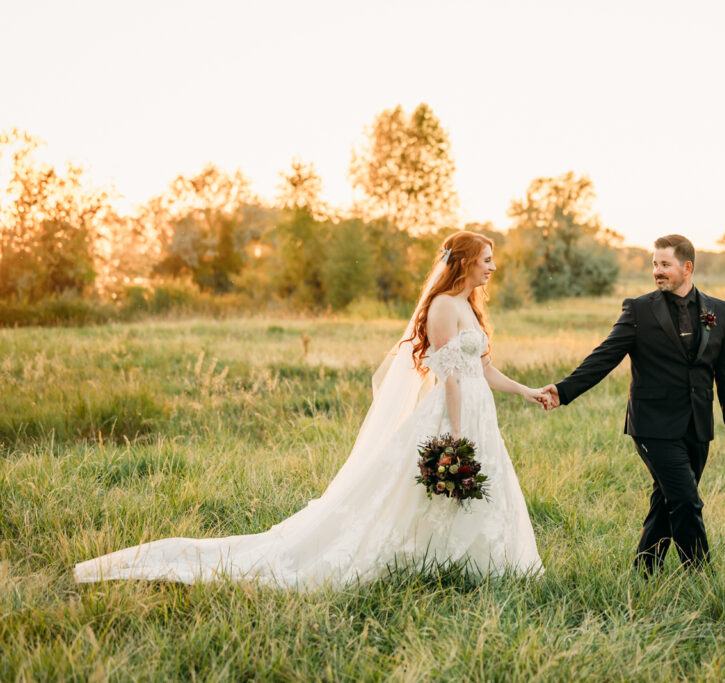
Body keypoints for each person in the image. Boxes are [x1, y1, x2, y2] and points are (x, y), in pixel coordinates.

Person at [75, 231, 546, 588]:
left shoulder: (471, 308)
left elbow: (483, 371)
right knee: (419, 494)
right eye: (487, 261)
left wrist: (527, 392)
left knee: (474, 494)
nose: (493, 267)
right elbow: (449, 379)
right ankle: (420, 561)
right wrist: (455, 435)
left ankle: (471, 565)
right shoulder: (444, 306)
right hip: (452, 416)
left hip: (480, 414)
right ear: (463, 262)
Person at [540, 234, 725, 574]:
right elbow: (605, 356)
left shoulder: (717, 310)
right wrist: (563, 391)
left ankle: (645, 571)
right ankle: (703, 577)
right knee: (686, 500)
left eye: (665, 264)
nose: (657, 271)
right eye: (654, 264)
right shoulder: (639, 309)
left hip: (698, 425)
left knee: (666, 501)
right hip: (653, 425)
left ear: (687, 267)